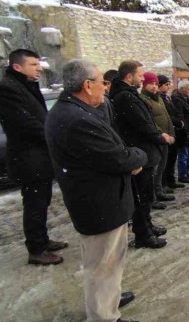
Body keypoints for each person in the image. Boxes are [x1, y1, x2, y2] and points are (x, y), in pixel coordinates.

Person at [45, 59, 145, 322]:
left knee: (107, 263)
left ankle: (108, 299)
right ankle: (103, 315)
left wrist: (127, 158)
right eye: (102, 82)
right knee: (102, 265)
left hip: (101, 202)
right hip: (99, 205)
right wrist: (137, 158)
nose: (105, 88)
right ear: (88, 85)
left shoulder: (75, 111)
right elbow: (117, 157)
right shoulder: (76, 119)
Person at [0, 49, 67, 265]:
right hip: (28, 158)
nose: (39, 68)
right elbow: (25, 124)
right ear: (17, 66)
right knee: (34, 204)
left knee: (42, 202)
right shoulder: (7, 88)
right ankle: (36, 249)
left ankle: (42, 240)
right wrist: (53, 135)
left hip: (39, 156)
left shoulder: (25, 85)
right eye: (34, 64)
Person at [109, 60, 168, 249]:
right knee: (142, 196)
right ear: (129, 76)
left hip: (143, 152)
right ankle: (143, 234)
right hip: (139, 153)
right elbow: (143, 124)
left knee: (145, 195)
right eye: (140, 75)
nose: (143, 78)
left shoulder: (128, 94)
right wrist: (160, 137)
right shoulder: (125, 97)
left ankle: (147, 226)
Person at [140, 72, 176, 206]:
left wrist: (172, 134)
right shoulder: (143, 99)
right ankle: (152, 198)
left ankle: (159, 191)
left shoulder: (159, 98)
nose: (154, 87)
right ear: (144, 84)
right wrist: (161, 134)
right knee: (153, 169)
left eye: (156, 84)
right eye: (151, 84)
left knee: (161, 167)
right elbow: (149, 121)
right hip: (155, 139)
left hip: (165, 138)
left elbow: (167, 117)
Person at [158, 74, 185, 189]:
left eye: (169, 84)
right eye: (166, 84)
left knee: (172, 158)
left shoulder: (166, 97)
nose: (168, 87)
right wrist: (177, 122)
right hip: (166, 131)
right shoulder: (160, 98)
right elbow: (167, 115)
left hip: (173, 131)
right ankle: (165, 183)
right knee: (166, 161)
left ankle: (170, 180)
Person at [172, 80, 189, 183]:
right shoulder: (177, 100)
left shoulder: (186, 98)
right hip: (183, 131)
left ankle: (187, 172)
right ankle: (183, 175)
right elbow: (181, 117)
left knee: (188, 153)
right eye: (188, 89)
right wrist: (186, 130)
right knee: (183, 154)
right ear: (182, 89)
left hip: (188, 129)